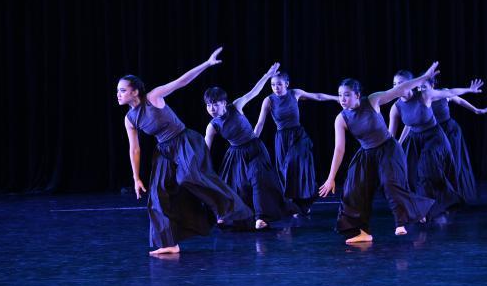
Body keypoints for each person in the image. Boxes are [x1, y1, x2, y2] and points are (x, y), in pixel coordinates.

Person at [118, 47, 252, 255]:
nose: (118, 94)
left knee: (188, 176)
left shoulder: (153, 97)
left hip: (185, 141)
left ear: (135, 91)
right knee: (157, 195)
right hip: (164, 150)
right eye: (118, 91)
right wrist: (136, 178)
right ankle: (169, 243)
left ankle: (227, 209)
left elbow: (181, 81)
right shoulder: (129, 119)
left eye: (122, 90)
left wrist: (207, 63)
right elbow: (134, 149)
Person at [318, 62, 440, 244]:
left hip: (388, 149)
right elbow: (339, 149)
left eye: (347, 95)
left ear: (357, 95)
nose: (342, 99)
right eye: (340, 95)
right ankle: (362, 232)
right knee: (353, 191)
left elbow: (399, 90)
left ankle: (401, 222)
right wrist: (331, 177)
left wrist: (424, 78)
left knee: (390, 184)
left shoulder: (372, 100)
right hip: (366, 154)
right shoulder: (341, 119)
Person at [204, 63, 298, 230]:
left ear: (224, 103)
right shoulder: (212, 126)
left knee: (258, 180)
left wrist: (267, 75)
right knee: (235, 185)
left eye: (215, 104)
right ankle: (226, 215)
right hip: (235, 154)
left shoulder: (236, 106)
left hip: (255, 148)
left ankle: (261, 218)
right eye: (208, 105)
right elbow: (205, 148)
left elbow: (254, 91)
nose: (211, 109)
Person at [389, 71, 483, 214]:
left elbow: (450, 93)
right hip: (416, 139)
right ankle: (427, 204)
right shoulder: (396, 107)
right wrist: (392, 148)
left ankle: (434, 206)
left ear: (411, 84)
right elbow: (392, 134)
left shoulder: (425, 95)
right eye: (394, 84)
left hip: (435, 137)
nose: (396, 87)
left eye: (400, 83)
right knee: (412, 175)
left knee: (426, 169)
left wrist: (469, 90)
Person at [253, 71, 338, 215]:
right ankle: (297, 205)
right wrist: (253, 140)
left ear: (286, 84)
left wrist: (336, 98)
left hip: (298, 136)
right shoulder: (269, 100)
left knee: (294, 164)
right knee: (285, 172)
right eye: (273, 85)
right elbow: (260, 123)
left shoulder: (295, 93)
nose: (276, 88)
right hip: (282, 139)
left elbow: (317, 96)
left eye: (279, 84)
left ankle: (305, 200)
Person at [428, 77, 487, 203]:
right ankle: (439, 194)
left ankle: (455, 194)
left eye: (424, 86)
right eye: (419, 87)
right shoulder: (419, 99)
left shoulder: (443, 93)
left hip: (450, 131)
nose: (421, 89)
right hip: (434, 133)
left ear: (432, 85)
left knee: (453, 162)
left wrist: (476, 110)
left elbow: (459, 100)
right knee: (435, 164)